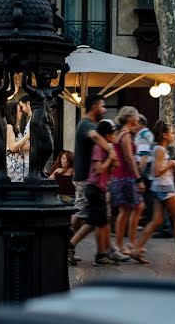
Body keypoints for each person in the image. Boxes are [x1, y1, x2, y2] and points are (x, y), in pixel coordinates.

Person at [132, 121, 175, 266]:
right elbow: (157, 171)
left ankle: (137, 248)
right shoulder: (160, 150)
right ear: (164, 135)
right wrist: (171, 164)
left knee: (156, 221)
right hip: (166, 188)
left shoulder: (158, 149)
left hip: (159, 188)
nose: (173, 135)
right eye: (171, 132)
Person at [69, 94, 116, 266]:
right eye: (103, 106)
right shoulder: (86, 125)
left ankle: (97, 251)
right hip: (84, 179)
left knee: (90, 217)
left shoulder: (90, 124)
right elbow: (95, 137)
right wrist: (110, 151)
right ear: (95, 107)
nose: (104, 110)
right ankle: (66, 246)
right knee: (82, 216)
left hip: (89, 180)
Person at [110, 106, 140, 261]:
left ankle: (123, 244)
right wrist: (138, 177)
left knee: (127, 210)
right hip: (125, 177)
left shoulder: (119, 134)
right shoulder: (126, 135)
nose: (138, 119)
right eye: (136, 116)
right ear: (130, 118)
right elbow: (129, 158)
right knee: (125, 211)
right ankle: (121, 245)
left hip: (119, 176)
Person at [6, 99, 31, 182]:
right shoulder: (9, 127)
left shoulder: (15, 127)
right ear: (13, 112)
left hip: (18, 161)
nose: (21, 113)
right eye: (19, 111)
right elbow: (12, 147)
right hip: (12, 163)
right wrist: (27, 136)